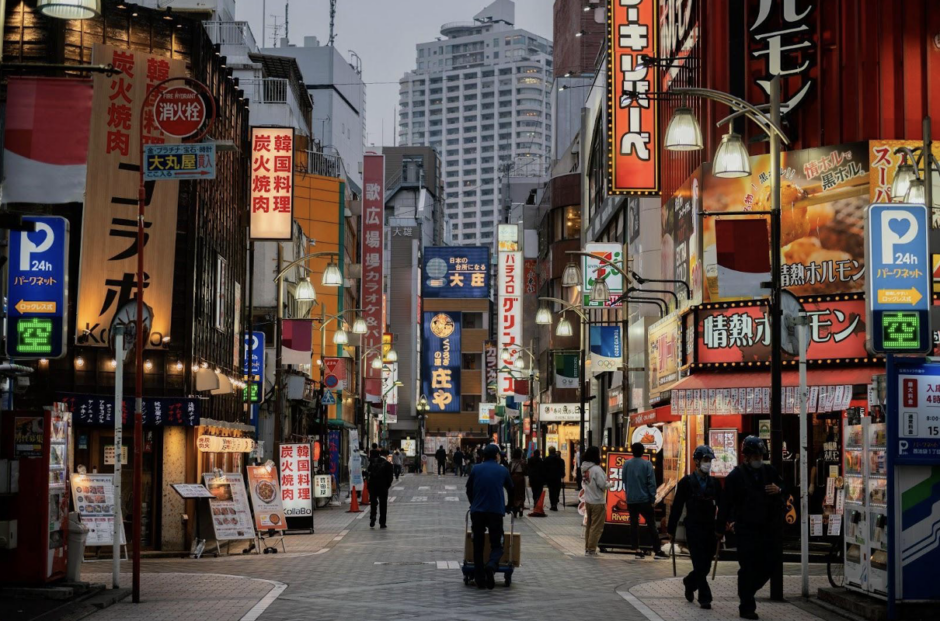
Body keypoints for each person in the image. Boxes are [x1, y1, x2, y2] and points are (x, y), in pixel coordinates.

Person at [717, 436, 785, 620]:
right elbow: (726, 503)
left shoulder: (769, 471)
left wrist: (779, 490)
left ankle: (747, 591)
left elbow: (785, 487)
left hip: (767, 528)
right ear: (745, 456)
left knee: (770, 564)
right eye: (754, 455)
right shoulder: (735, 476)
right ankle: (747, 605)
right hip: (745, 528)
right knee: (748, 566)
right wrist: (721, 525)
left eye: (759, 455)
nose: (757, 458)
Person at [668, 445, 721, 609]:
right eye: (705, 460)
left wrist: (723, 525)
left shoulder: (714, 483)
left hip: (710, 528)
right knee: (698, 562)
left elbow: (724, 505)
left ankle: (689, 582)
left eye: (710, 460)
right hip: (694, 527)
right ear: (697, 462)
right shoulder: (686, 483)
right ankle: (705, 597)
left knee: (706, 565)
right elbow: (677, 506)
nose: (708, 463)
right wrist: (671, 529)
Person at [466, 443, 513, 589]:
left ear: (483, 455)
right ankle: (492, 566)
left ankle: (480, 578)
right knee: (497, 543)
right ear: (497, 456)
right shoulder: (503, 470)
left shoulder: (476, 469)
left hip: (478, 512)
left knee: (478, 544)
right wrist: (508, 506)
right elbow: (511, 490)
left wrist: (474, 503)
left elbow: (469, 489)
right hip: (495, 512)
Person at [622, 442, 667, 559]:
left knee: (634, 524)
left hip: (631, 499)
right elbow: (651, 483)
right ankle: (657, 550)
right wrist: (652, 498)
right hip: (644, 500)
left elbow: (624, 480)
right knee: (651, 524)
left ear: (632, 451)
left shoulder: (626, 464)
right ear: (642, 452)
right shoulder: (647, 464)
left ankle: (637, 549)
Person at [580, 446, 608, 556]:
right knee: (597, 526)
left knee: (589, 525)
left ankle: (588, 547)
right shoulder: (597, 469)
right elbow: (602, 485)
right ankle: (591, 548)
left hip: (588, 500)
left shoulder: (584, 468)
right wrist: (610, 484)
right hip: (598, 501)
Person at [368, 449, 394, 528]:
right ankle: (382, 522)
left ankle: (373, 516)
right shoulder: (388, 465)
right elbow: (390, 478)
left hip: (373, 486)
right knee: (383, 504)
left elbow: (368, 472)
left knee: (373, 503)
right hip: (383, 487)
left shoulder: (373, 462)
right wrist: (387, 485)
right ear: (386, 455)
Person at [544, 446, 565, 511]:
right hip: (557, 477)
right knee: (557, 490)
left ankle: (552, 504)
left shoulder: (546, 459)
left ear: (549, 451)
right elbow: (562, 468)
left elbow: (545, 469)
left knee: (551, 491)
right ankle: (555, 503)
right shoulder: (560, 460)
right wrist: (562, 474)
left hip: (550, 478)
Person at [508, 448, 527, 518]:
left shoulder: (511, 462)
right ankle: (521, 507)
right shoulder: (523, 462)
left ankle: (514, 509)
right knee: (521, 493)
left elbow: (509, 472)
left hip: (513, 479)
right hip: (521, 479)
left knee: (514, 493)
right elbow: (525, 471)